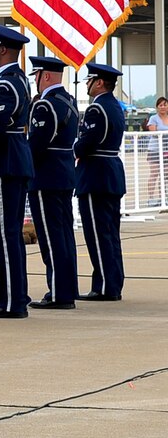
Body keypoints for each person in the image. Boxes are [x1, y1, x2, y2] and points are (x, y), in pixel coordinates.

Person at [0, 24, 33, 319]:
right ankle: (13, 297)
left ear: (1, 49)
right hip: (12, 161)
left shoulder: (5, 84)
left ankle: (11, 301)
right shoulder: (15, 79)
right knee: (8, 233)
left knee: (4, 234)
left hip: (4, 163)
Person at [26, 56, 80, 311]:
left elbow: (36, 145)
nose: (35, 82)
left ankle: (59, 293)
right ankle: (68, 288)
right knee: (64, 234)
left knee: (51, 236)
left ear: (45, 76)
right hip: (64, 174)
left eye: (36, 76)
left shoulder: (45, 105)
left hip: (46, 176)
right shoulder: (69, 101)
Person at [74, 63, 127, 302]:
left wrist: (73, 148)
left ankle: (105, 285)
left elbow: (86, 143)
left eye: (90, 80)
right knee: (109, 233)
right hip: (109, 173)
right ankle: (113, 282)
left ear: (99, 82)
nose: (87, 84)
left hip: (96, 175)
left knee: (98, 234)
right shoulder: (114, 106)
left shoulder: (97, 109)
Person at [143, 96, 168, 204]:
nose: (163, 107)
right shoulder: (153, 118)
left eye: (165, 105)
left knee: (166, 174)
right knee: (154, 173)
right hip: (155, 150)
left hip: (166, 150)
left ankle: (164, 197)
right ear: (157, 107)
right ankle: (151, 198)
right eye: (160, 105)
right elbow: (153, 131)